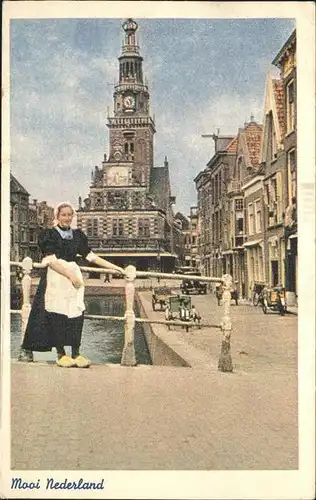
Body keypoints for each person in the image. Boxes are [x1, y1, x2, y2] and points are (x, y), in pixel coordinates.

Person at [19, 202, 124, 368]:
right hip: (57, 277)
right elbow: (50, 261)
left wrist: (115, 268)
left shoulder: (78, 235)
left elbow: (91, 256)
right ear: (57, 216)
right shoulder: (49, 235)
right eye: (64, 215)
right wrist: (71, 276)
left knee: (76, 314)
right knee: (57, 314)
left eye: (70, 215)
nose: (67, 218)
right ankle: (61, 354)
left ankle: (76, 353)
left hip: (73, 279)